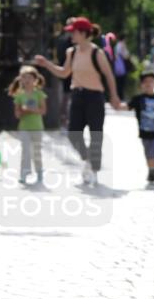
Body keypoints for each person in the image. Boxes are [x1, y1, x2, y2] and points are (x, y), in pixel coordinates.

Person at [34, 16, 123, 185]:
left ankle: (94, 169)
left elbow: (109, 75)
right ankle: (88, 158)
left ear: (83, 33)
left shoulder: (97, 53)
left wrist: (114, 96)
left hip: (95, 97)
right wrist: (47, 64)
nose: (71, 36)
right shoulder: (71, 52)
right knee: (73, 133)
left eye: (73, 32)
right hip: (77, 96)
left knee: (96, 134)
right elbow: (64, 73)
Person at [127, 71, 154, 184]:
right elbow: (127, 106)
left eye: (151, 81)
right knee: (147, 151)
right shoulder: (138, 99)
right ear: (141, 84)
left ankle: (153, 171)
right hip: (144, 131)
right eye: (145, 82)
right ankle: (150, 169)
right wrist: (115, 104)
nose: (148, 84)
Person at [9, 65, 47, 185]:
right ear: (21, 80)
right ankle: (24, 173)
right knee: (25, 151)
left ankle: (39, 172)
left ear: (35, 79)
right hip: (24, 128)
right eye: (24, 78)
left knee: (36, 152)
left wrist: (33, 109)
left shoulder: (39, 94)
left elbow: (43, 110)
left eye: (29, 77)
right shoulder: (19, 95)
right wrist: (23, 111)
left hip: (37, 127)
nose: (27, 80)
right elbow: (17, 114)